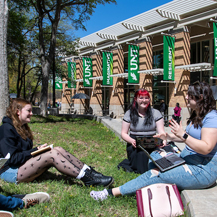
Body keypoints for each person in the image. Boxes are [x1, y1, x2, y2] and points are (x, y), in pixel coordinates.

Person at [90, 81, 217, 201]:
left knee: (156, 172)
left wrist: (183, 135)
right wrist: (168, 137)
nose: (186, 98)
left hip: (201, 169)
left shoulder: (212, 117)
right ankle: (161, 183)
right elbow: (189, 138)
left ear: (200, 97)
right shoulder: (198, 114)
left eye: (190, 96)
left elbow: (206, 148)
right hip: (186, 159)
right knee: (155, 156)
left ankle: (111, 193)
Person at [0, 98, 113, 187]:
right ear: (17, 112)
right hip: (11, 172)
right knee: (52, 155)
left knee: (57, 149)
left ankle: (90, 172)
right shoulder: (6, 129)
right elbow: (12, 159)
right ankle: (87, 179)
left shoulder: (22, 127)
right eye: (29, 111)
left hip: (21, 166)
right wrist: (35, 151)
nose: (32, 113)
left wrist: (39, 150)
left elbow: (23, 152)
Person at [118, 89, 166, 174]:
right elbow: (123, 133)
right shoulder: (129, 113)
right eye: (141, 98)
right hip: (135, 143)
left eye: (146, 98)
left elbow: (161, 132)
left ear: (149, 100)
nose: (144, 100)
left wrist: (163, 140)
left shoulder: (156, 113)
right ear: (135, 99)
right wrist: (131, 141)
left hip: (152, 141)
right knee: (142, 157)